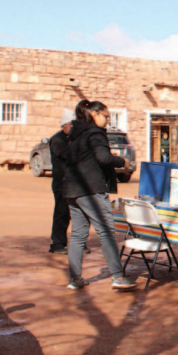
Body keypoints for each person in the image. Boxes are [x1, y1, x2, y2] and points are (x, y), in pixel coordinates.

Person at [64, 99, 137, 290]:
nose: (107, 120)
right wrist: (123, 161)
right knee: (107, 233)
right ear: (95, 114)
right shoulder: (95, 132)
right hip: (91, 189)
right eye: (106, 116)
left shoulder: (75, 133)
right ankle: (118, 277)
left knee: (79, 236)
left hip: (72, 189)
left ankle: (75, 278)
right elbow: (104, 158)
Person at [48, 110, 76, 254]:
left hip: (76, 183)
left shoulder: (74, 139)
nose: (72, 127)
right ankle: (57, 244)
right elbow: (67, 156)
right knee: (62, 212)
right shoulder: (57, 140)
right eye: (70, 124)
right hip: (62, 183)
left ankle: (79, 243)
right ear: (64, 125)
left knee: (79, 213)